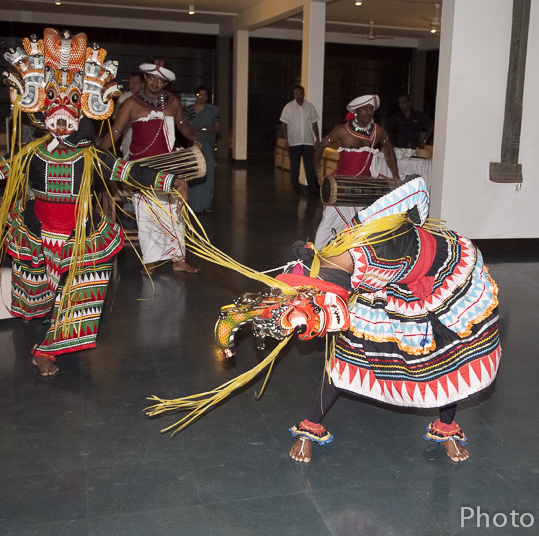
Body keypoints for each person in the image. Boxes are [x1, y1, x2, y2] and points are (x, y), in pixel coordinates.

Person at [0, 29, 188, 376]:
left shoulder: (91, 155)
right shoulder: (32, 153)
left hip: (82, 235)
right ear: (42, 106)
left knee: (80, 296)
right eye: (53, 99)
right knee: (45, 295)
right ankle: (48, 324)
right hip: (38, 234)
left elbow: (127, 171)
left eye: (71, 101)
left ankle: (46, 350)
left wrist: (170, 180)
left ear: (82, 109)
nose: (62, 111)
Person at [206, 177, 500, 465]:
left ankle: (446, 427)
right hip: (384, 281)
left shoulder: (371, 238)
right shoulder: (329, 262)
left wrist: (415, 218)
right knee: (345, 353)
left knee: (445, 353)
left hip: (439, 274)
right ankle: (311, 424)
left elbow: (417, 187)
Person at [101, 60, 199, 275]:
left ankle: (178, 259)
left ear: (165, 83)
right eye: (152, 78)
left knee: (173, 212)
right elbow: (116, 131)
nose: (155, 83)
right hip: (141, 168)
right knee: (146, 214)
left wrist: (194, 139)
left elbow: (182, 124)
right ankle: (150, 261)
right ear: (145, 78)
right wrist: (99, 150)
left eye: (160, 80)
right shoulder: (131, 103)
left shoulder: (173, 103)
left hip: (167, 165)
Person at [312, 95, 400, 248]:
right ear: (355, 111)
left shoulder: (378, 131)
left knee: (363, 229)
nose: (368, 112)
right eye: (364, 109)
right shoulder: (342, 130)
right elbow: (321, 146)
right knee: (328, 225)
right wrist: (317, 170)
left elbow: (389, 149)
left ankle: (357, 256)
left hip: (363, 188)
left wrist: (396, 175)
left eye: (371, 109)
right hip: (340, 188)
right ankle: (319, 252)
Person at [185, 86, 220, 214]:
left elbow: (218, 128)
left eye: (205, 95)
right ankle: (193, 203)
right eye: (200, 95)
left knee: (208, 171)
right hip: (194, 143)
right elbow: (185, 126)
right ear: (196, 95)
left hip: (208, 144)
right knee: (194, 171)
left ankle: (206, 204)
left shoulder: (212, 110)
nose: (202, 97)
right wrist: (194, 131)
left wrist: (209, 129)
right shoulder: (189, 109)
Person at [280, 86, 320, 196]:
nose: (298, 96)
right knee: (295, 167)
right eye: (296, 94)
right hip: (294, 142)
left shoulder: (310, 107)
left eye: (300, 93)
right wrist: (285, 139)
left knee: (309, 166)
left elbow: (314, 123)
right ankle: (296, 188)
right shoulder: (289, 107)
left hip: (308, 142)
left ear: (304, 94)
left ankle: (313, 189)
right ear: (294, 95)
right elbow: (284, 124)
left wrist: (317, 138)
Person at [113, 73, 145, 159]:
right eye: (130, 83)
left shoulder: (149, 98)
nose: (132, 85)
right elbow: (115, 118)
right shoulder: (124, 98)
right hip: (129, 142)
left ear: (143, 84)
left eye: (135, 83)